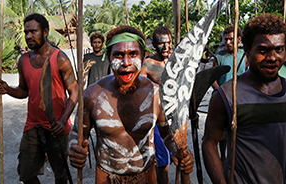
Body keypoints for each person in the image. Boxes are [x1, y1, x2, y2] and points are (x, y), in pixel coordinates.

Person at [69, 25, 194, 184]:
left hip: (146, 177)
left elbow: (167, 135)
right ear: (109, 57)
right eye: (118, 55)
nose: (126, 62)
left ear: (143, 57)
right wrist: (75, 148)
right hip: (107, 177)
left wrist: (178, 151)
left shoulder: (156, 95)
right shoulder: (92, 95)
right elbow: (77, 133)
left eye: (133, 54)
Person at [0, 13, 78, 184]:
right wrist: (7, 89)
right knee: (26, 173)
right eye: (26, 32)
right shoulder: (23, 60)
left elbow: (75, 92)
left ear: (45, 32)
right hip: (32, 125)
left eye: (33, 31)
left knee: (60, 173)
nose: (28, 36)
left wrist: (63, 121)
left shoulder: (60, 59)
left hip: (57, 126)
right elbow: (24, 91)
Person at [202, 13, 286, 183]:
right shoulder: (226, 96)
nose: (272, 58)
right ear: (247, 50)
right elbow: (209, 143)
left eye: (279, 49)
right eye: (263, 50)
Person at [140, 26, 173, 184]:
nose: (166, 47)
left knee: (179, 157)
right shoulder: (148, 64)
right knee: (163, 161)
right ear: (153, 43)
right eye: (161, 43)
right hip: (158, 120)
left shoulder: (177, 60)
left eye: (169, 42)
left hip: (177, 116)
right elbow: (139, 93)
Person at [211, 25, 247, 162]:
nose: (228, 43)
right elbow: (212, 78)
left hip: (241, 99)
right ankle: (223, 157)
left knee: (238, 130)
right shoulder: (219, 57)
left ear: (238, 39)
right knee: (222, 131)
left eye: (231, 39)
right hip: (223, 99)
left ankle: (236, 157)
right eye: (226, 39)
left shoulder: (244, 55)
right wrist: (220, 92)